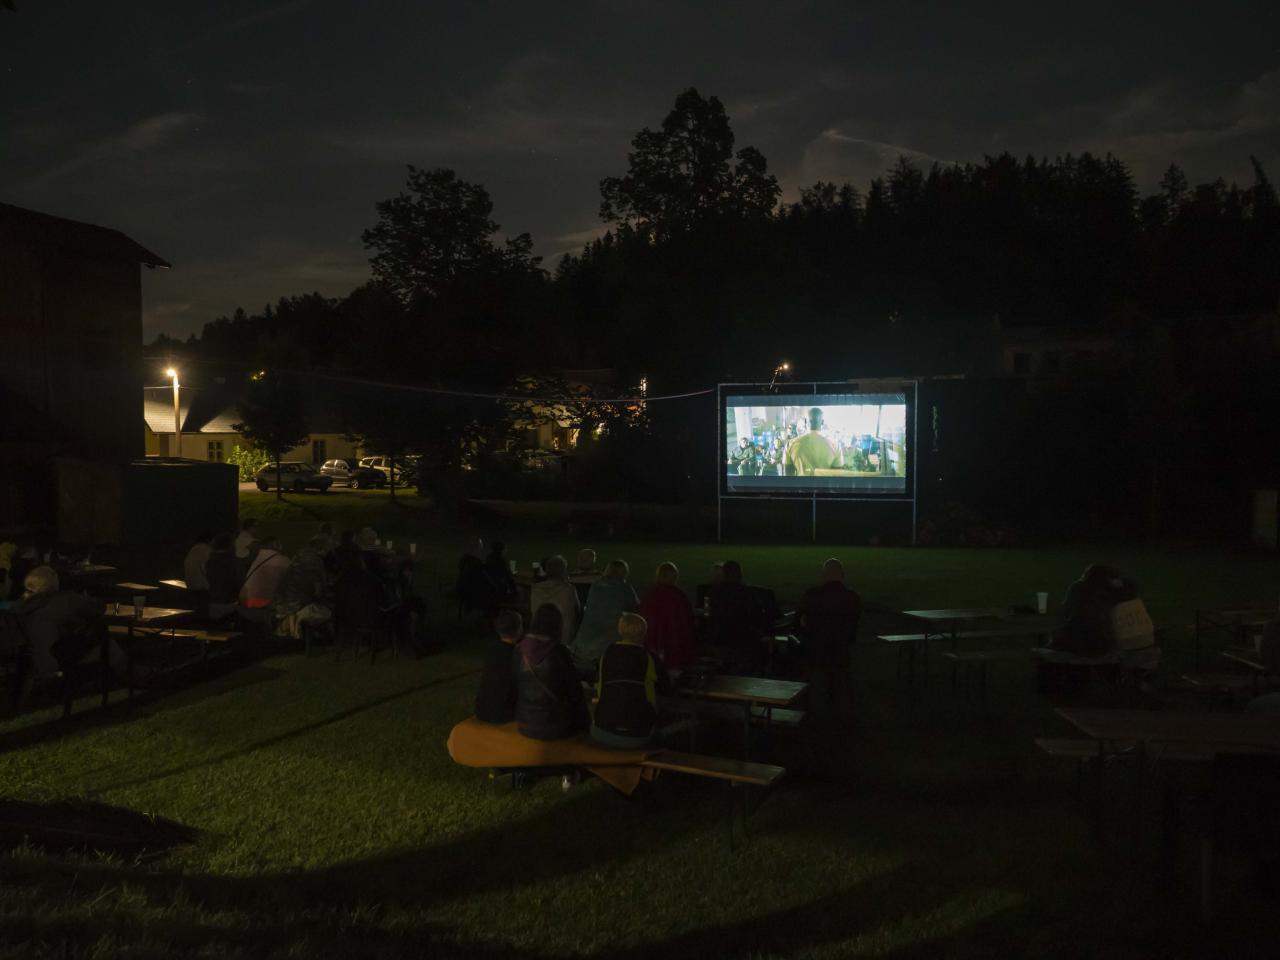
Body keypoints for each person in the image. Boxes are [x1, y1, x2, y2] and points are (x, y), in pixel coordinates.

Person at [15, 565, 118, 681]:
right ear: (54, 583)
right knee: (108, 643)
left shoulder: (20, 606)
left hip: (32, 666)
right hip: (59, 664)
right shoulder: (65, 600)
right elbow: (99, 607)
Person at [591, 612, 671, 748]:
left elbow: (599, 687)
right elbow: (665, 687)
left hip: (602, 729)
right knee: (662, 735)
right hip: (638, 733)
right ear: (644, 633)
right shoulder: (648, 657)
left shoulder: (607, 654)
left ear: (620, 630)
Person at [799, 558, 862, 722]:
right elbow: (853, 629)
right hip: (841, 651)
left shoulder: (812, 595)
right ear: (843, 575)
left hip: (815, 651)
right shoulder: (853, 598)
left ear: (823, 575)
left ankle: (806, 707)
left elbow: (800, 623)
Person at [514, 603, 588, 740]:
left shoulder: (519, 650)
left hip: (524, 723)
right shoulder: (559, 653)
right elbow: (575, 692)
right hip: (556, 726)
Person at [571, 559, 639, 676]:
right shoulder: (624, 588)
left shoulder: (595, 585)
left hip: (582, 644)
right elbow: (635, 608)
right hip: (606, 648)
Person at [706, 560, 766, 673]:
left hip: (720, 641)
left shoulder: (716, 592)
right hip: (742, 642)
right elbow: (758, 616)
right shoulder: (747, 593)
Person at [639, 561, 697, 668]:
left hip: (654, 640)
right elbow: (687, 621)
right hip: (674, 643)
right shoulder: (678, 596)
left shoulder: (650, 594)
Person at [475, 609, 522, 723]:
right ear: (519, 629)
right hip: (504, 714)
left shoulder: (491, 649)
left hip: (481, 710)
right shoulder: (518, 654)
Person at [530, 554, 579, 647]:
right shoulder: (568, 589)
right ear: (563, 571)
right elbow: (577, 611)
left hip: (539, 639)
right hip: (562, 641)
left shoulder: (536, 588)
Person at [784, 407, 843, 476]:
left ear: (806, 421)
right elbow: (837, 475)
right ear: (822, 422)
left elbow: (788, 475)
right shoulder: (835, 445)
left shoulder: (791, 444)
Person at [239, 537, 291, 615]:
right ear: (275, 545)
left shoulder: (257, 556)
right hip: (261, 603)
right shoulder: (283, 561)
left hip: (244, 599)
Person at [205, 533, 238, 622]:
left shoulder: (210, 560)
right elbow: (238, 581)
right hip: (230, 601)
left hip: (214, 600)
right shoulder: (233, 561)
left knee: (216, 626)